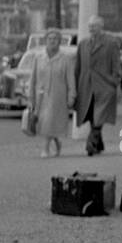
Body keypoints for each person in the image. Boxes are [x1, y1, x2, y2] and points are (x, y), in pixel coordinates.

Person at [74, 15, 120, 156]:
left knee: (99, 115)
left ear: (101, 27)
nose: (90, 29)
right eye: (89, 26)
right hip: (86, 86)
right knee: (90, 114)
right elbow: (78, 67)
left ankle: (90, 144)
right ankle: (99, 144)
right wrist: (76, 87)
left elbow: (116, 65)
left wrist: (114, 82)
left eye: (93, 26)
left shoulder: (111, 43)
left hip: (105, 85)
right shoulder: (83, 44)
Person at [29, 28, 76, 158]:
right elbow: (33, 79)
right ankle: (56, 142)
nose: (52, 41)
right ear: (46, 41)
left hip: (58, 97)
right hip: (41, 96)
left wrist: (71, 96)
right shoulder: (39, 58)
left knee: (50, 121)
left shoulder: (65, 59)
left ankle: (45, 149)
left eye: (55, 39)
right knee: (44, 122)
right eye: (50, 39)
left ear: (59, 42)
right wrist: (30, 97)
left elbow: (71, 80)